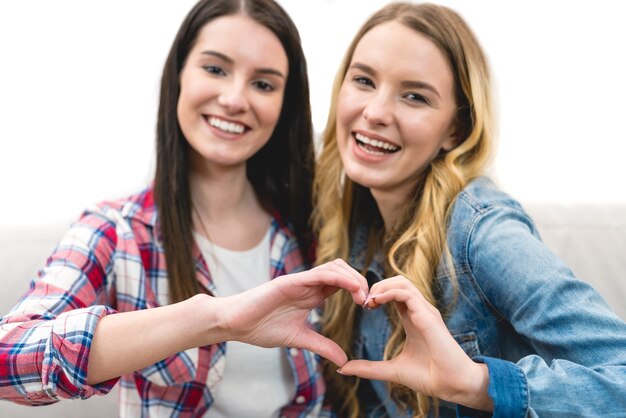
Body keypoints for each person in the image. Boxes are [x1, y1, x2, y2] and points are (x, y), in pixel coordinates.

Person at [0, 0, 369, 416]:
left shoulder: (315, 230)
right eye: (215, 69)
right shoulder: (117, 232)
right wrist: (211, 319)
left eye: (263, 84)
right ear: (177, 75)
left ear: (285, 106)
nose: (234, 99)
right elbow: (7, 358)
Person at [313, 2, 626, 417]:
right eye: (364, 80)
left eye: (414, 96)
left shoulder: (484, 232)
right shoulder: (354, 221)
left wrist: (477, 383)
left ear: (455, 129)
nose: (375, 112)